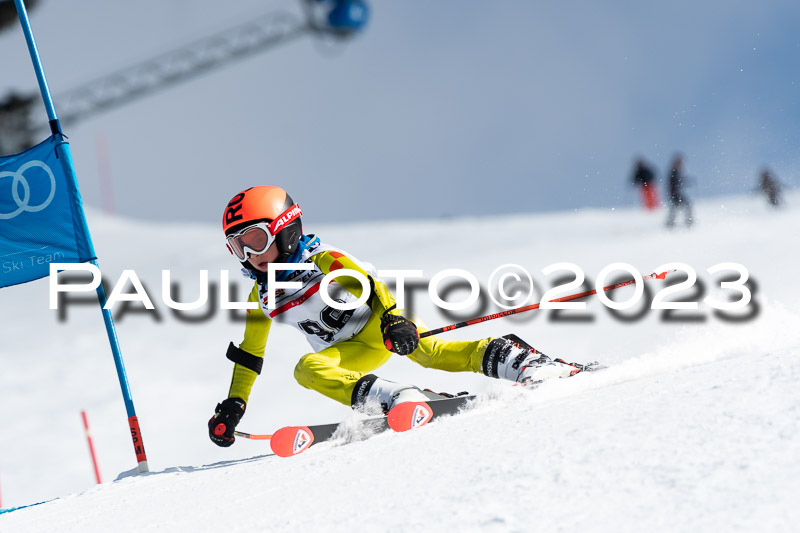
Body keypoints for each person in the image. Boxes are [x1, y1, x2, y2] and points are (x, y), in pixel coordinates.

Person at [208, 186, 592, 447]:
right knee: (307, 368)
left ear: (285, 229)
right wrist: (234, 404)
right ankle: (396, 399)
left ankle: (519, 360)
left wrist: (395, 320)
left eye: (255, 239)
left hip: (382, 321)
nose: (250, 256)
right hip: (349, 352)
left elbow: (372, 284)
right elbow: (249, 355)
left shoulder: (321, 259)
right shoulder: (261, 298)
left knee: (431, 353)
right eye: (237, 247)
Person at [665, 154, 694, 228]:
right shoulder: (673, 172)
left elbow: (678, 182)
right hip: (675, 194)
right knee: (683, 205)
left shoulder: (676, 172)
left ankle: (671, 223)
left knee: (675, 208)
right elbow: (674, 183)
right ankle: (688, 221)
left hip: (676, 193)